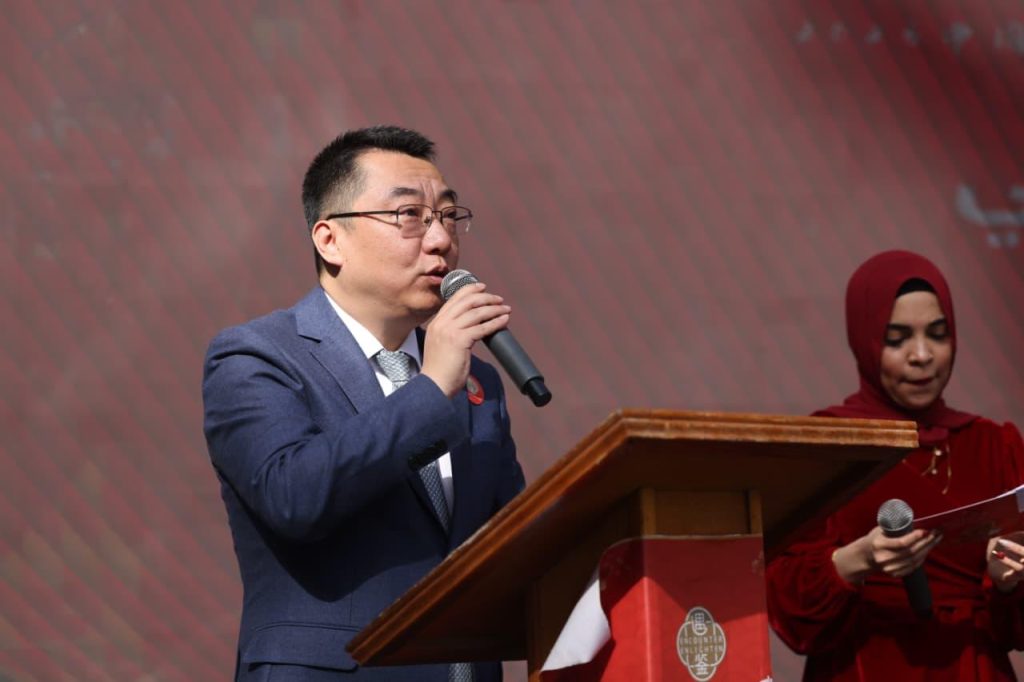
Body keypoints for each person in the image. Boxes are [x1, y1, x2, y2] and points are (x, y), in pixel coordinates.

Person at [202, 125, 526, 681]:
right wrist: (430, 389)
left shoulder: (477, 385)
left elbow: (511, 543)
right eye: (409, 216)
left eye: (448, 216)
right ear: (330, 240)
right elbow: (295, 496)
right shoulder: (256, 357)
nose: (440, 240)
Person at [766, 250, 1024, 681]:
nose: (922, 355)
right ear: (864, 340)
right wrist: (858, 560)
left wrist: (1007, 583)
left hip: (973, 666)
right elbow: (789, 608)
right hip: (865, 665)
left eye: (937, 334)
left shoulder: (994, 445)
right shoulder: (828, 444)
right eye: (897, 338)